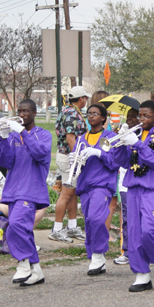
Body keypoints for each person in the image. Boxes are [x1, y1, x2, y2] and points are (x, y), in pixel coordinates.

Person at [111, 100, 154, 292]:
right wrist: (121, 142)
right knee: (134, 233)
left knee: (149, 229)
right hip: (133, 188)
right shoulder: (135, 133)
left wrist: (137, 144)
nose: (142, 119)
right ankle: (142, 274)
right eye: (140, 115)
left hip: (153, 188)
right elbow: (123, 162)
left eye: (147, 116)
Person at [0, 99, 51, 286]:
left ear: (34, 113)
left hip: (31, 190)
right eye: (19, 111)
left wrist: (23, 132)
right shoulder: (12, 136)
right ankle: (37, 271)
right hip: (13, 190)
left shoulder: (43, 135)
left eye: (26, 111)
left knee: (16, 225)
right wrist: (3, 138)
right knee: (24, 231)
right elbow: (3, 161)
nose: (22, 114)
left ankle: (23, 263)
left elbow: (40, 153)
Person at [74, 103, 119, 276]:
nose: (91, 116)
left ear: (103, 118)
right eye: (89, 113)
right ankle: (94, 256)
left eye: (95, 113)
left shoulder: (110, 137)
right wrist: (74, 160)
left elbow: (115, 162)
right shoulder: (81, 139)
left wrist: (100, 154)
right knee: (89, 221)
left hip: (102, 184)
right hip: (85, 185)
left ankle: (99, 254)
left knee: (96, 218)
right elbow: (77, 165)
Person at [51, 86, 89, 243]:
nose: (86, 100)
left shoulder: (68, 110)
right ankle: (56, 229)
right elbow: (70, 138)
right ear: (81, 99)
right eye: (85, 98)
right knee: (66, 194)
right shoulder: (72, 113)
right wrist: (77, 158)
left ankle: (72, 226)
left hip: (67, 156)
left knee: (73, 193)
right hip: (69, 157)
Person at [114, 108, 139, 266]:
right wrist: (119, 138)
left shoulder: (142, 135)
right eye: (128, 117)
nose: (129, 119)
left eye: (133, 117)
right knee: (127, 220)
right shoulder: (122, 134)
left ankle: (143, 252)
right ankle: (127, 252)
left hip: (140, 184)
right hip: (124, 184)